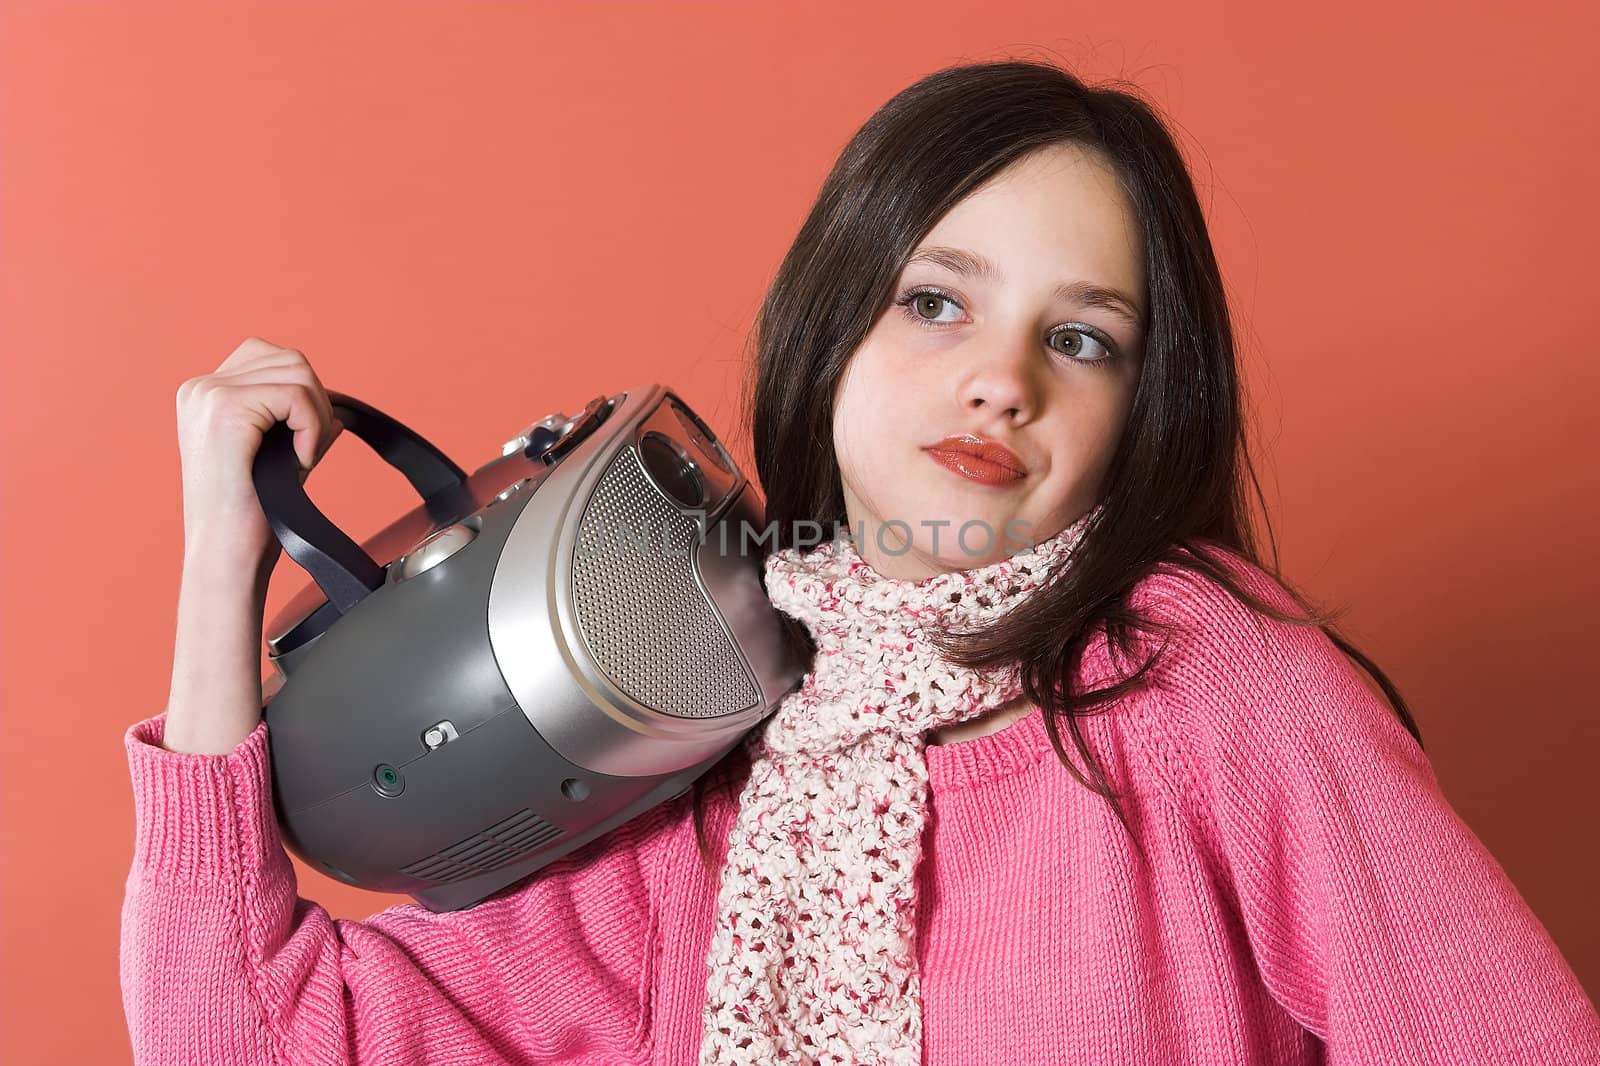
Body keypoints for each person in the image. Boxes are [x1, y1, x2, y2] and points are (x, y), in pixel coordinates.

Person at [121, 59, 1600, 1065]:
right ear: (834, 330)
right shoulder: (704, 734)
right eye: (938, 302)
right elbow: (244, 1031)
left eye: (1080, 338)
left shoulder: (1209, 677)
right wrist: (220, 567)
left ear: (1141, 412)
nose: (1000, 379)